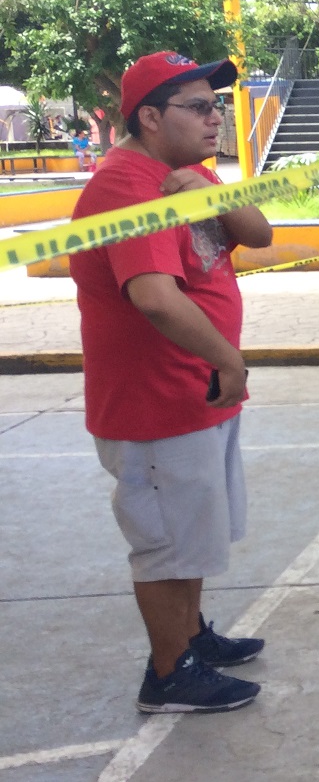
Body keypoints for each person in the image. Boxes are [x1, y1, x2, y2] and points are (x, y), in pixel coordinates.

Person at [70, 51, 273, 713]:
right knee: (163, 544)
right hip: (157, 401)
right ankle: (169, 673)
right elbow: (155, 297)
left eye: (216, 104)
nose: (216, 117)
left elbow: (260, 233)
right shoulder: (128, 187)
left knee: (193, 534)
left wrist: (208, 191)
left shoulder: (183, 174)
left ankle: (192, 637)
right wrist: (230, 361)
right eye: (199, 106)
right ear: (150, 117)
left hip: (196, 395)